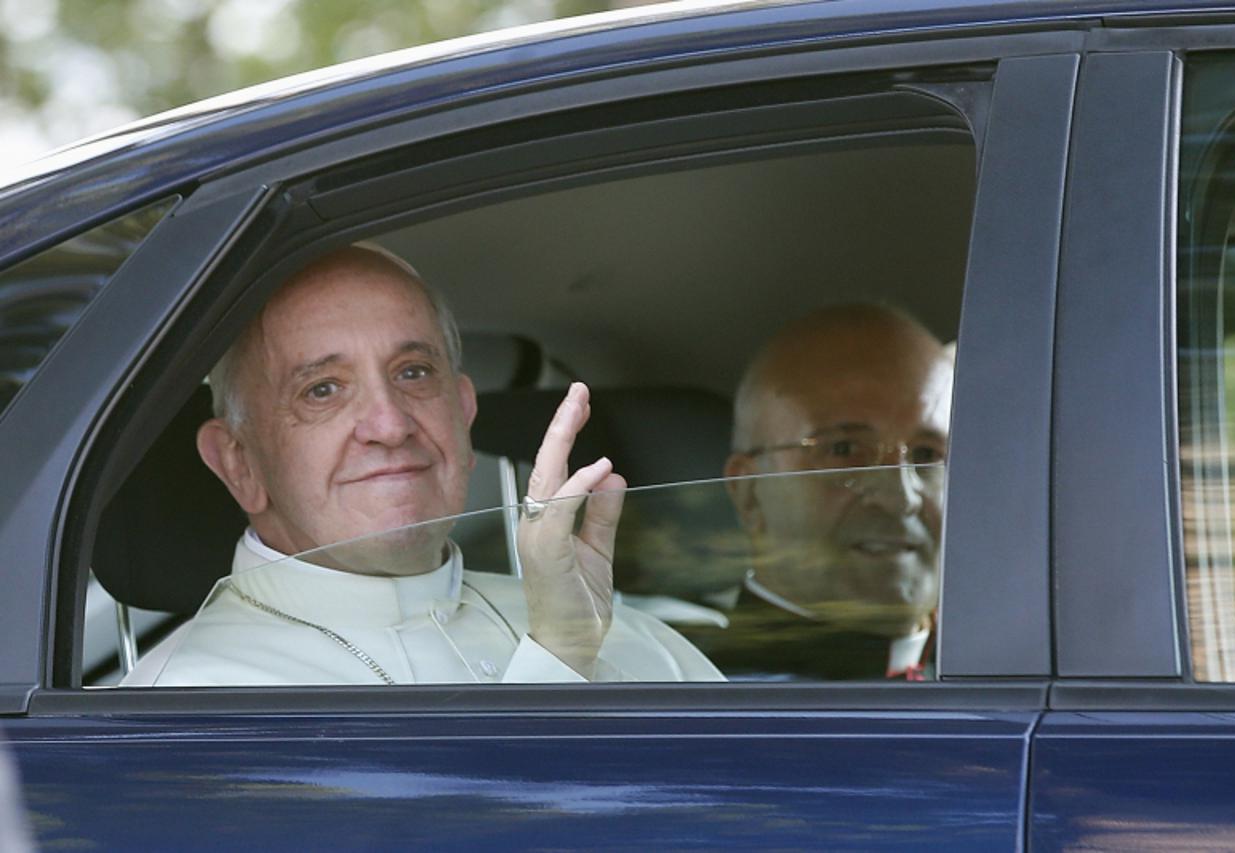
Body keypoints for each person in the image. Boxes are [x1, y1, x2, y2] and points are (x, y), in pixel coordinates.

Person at [123, 245, 721, 686]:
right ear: (239, 462)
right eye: (322, 389)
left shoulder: (631, 639)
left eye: (413, 372)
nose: (389, 425)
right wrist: (558, 659)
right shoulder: (185, 710)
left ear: (463, 412)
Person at [689, 304, 952, 681]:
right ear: (748, 490)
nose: (901, 498)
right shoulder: (700, 698)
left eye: (927, 455)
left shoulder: (1012, 670)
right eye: (844, 450)